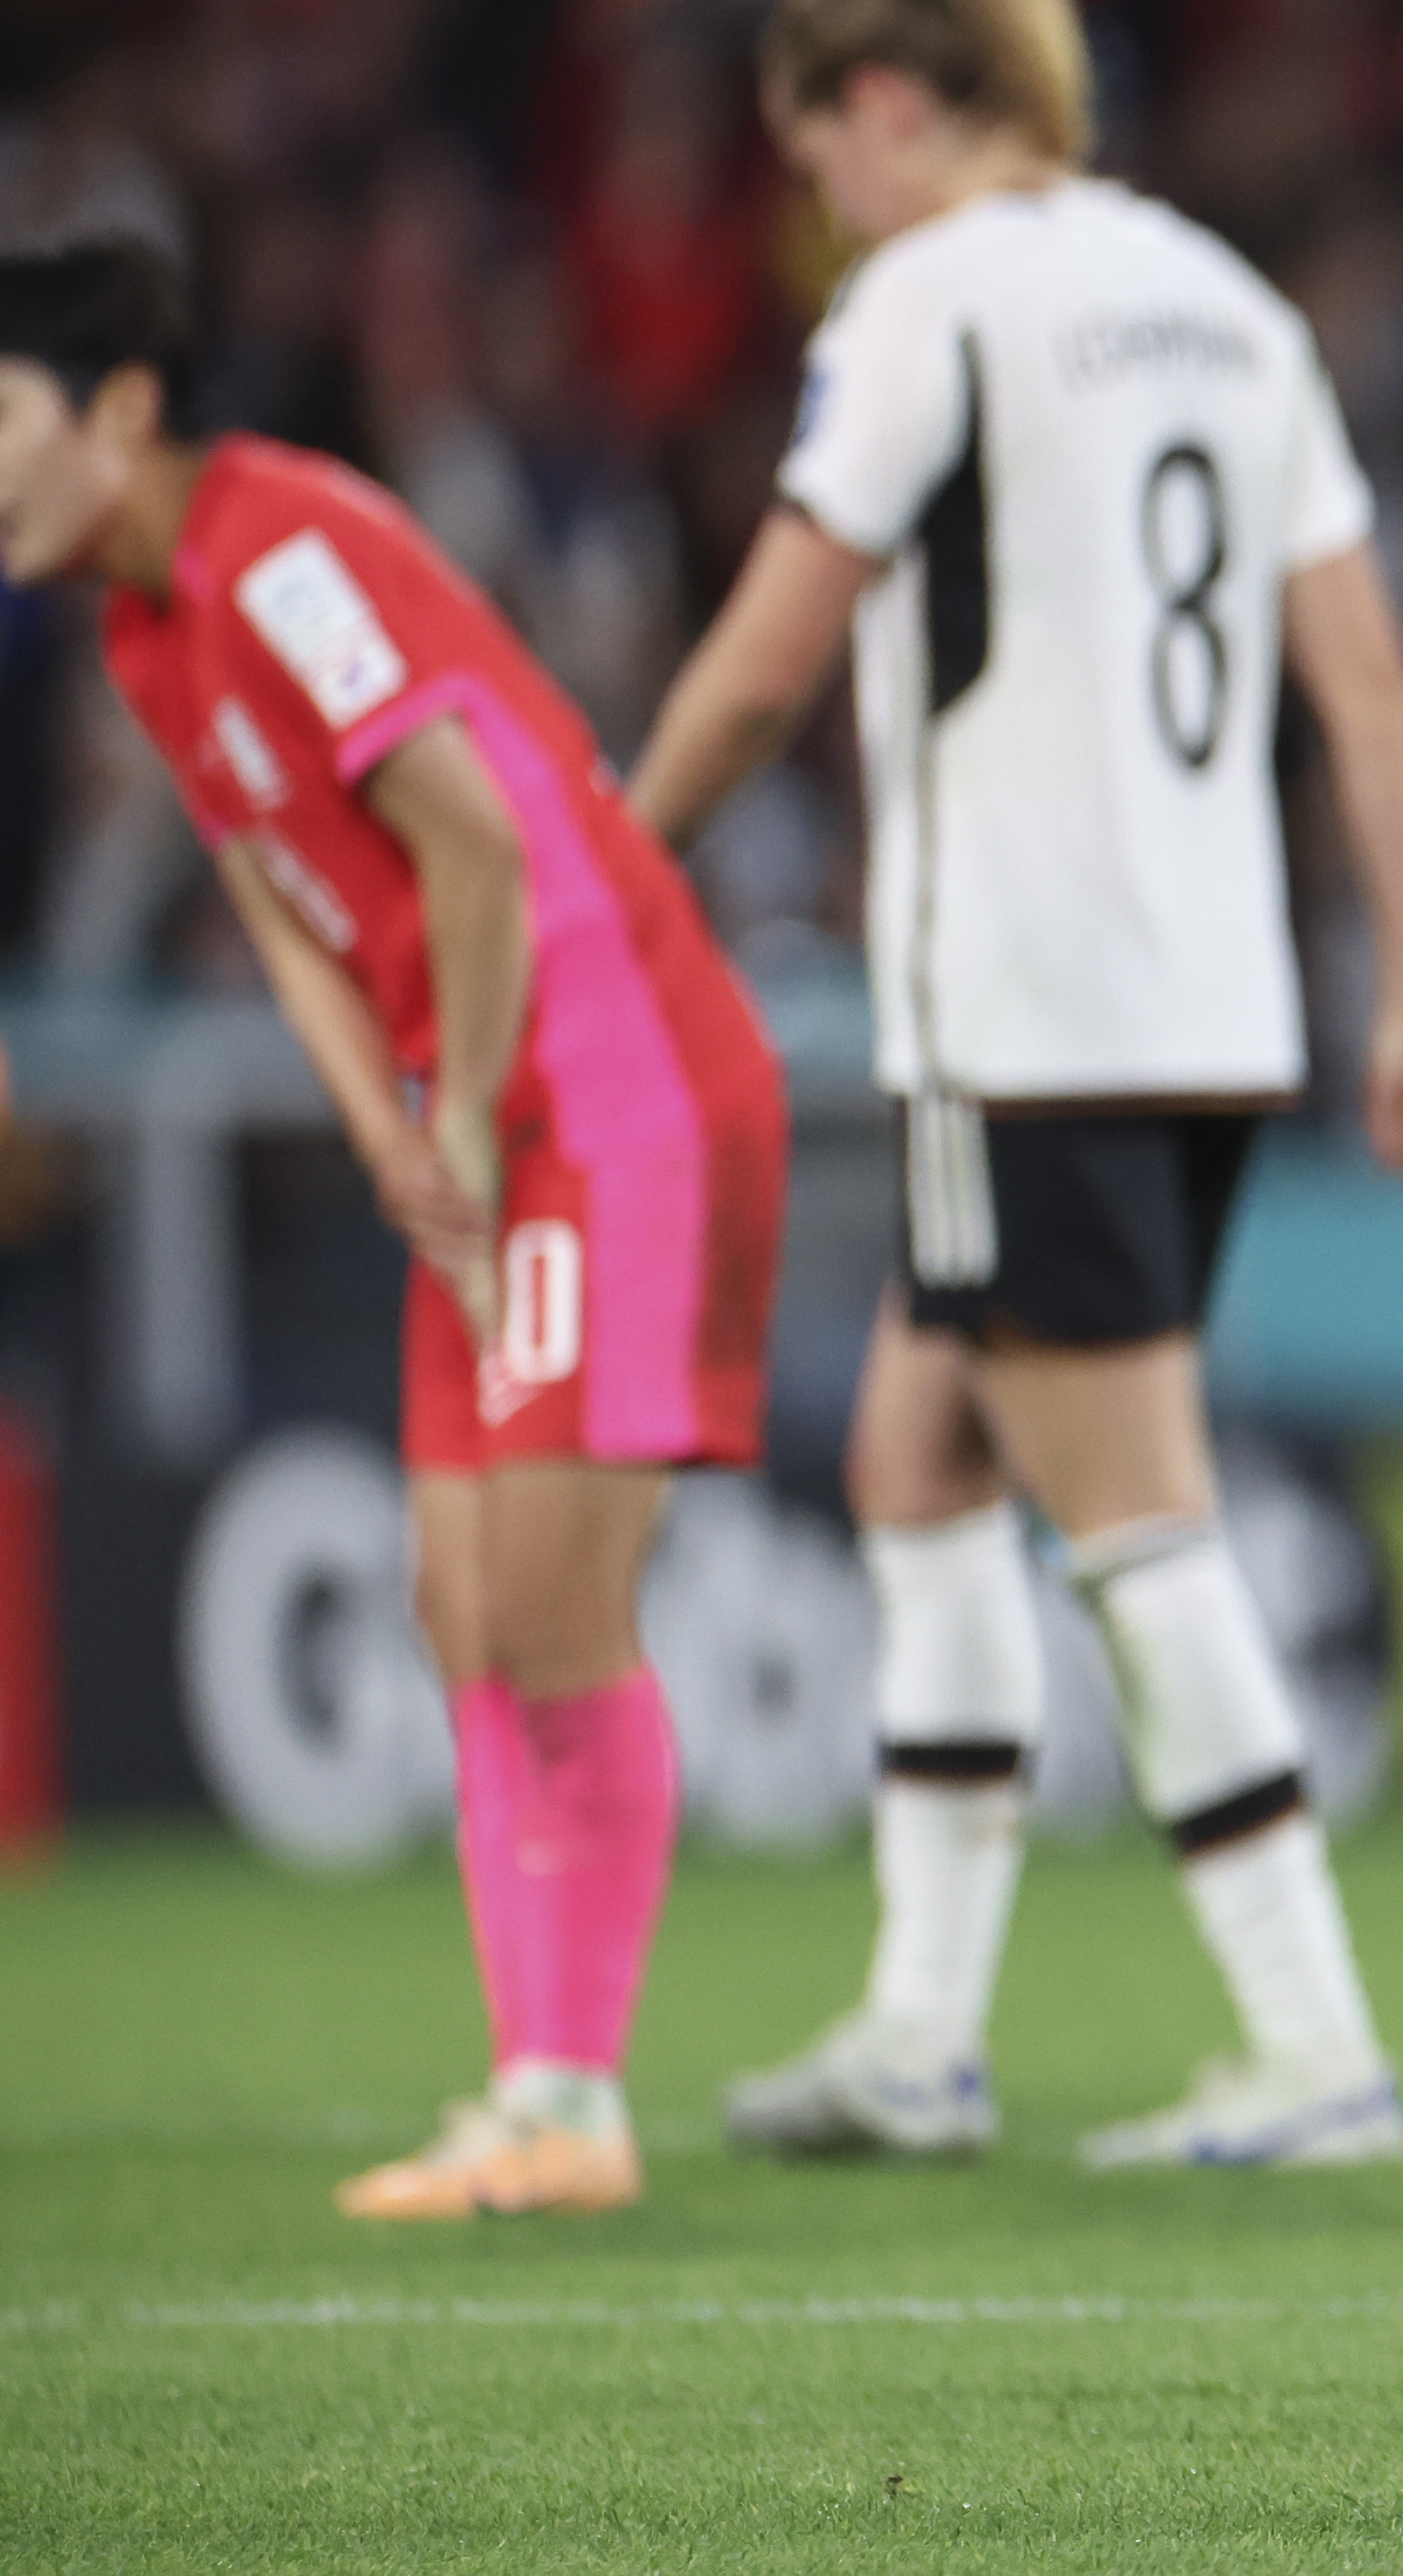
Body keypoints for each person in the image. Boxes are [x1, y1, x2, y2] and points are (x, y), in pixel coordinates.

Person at [626, 0, 1403, 2169]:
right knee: (919, 1451)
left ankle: (1314, 2044)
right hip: (1212, 1007)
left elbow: (764, 648)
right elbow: (1368, 678)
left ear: (892, 101)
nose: (824, 208)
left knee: (1130, 1507)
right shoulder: (1228, 307)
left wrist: (608, 887)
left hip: (1026, 1012)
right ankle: (919, 2031)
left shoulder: (931, 299)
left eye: (819, 155)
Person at [0, 239, 789, 2218]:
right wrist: (381, 1123)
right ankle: (529, 2090)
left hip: (611, 1094)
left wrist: (461, 1102)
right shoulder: (142, 633)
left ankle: (579, 2099)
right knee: (458, 1618)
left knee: (540, 1607)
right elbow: (278, 891)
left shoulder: (278, 551)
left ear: (114, 411)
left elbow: (476, 840)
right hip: (479, 1123)